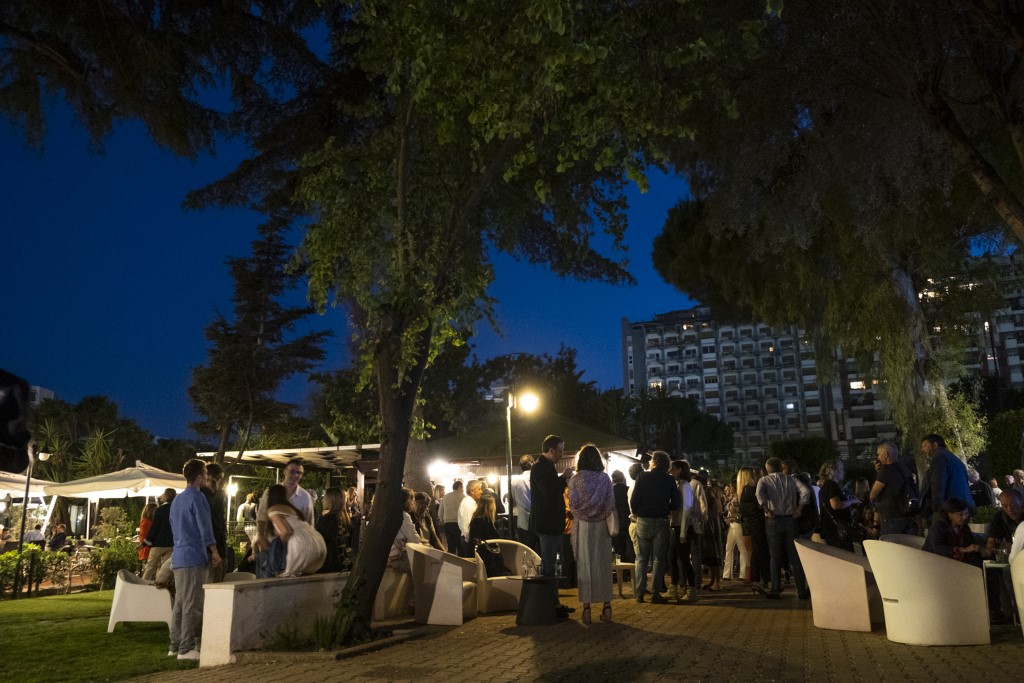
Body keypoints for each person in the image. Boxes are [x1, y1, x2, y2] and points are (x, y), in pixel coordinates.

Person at [168, 459, 221, 660]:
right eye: (205, 474)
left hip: (179, 556)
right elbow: (205, 527)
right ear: (199, 477)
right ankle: (186, 648)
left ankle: (175, 645)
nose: (207, 478)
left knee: (180, 603)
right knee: (193, 604)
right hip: (193, 556)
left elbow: (174, 525)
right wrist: (214, 551)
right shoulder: (198, 498)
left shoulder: (177, 500)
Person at [568, 444, 615, 625]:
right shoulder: (605, 479)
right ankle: (607, 607)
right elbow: (610, 503)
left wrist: (583, 512)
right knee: (603, 564)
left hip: (583, 525)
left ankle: (586, 609)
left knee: (585, 565)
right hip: (601, 525)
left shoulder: (575, 479)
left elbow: (572, 504)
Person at [755, 457, 812, 600]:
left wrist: (767, 509)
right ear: (780, 467)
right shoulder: (791, 479)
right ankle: (801, 589)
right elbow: (805, 491)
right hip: (790, 520)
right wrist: (799, 508)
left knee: (775, 556)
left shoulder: (764, 480)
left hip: (773, 520)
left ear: (767, 469)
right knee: (794, 556)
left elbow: (759, 495)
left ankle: (775, 589)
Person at [630, 450, 681, 604]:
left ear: (653, 462)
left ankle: (639, 593)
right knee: (659, 559)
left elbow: (634, 500)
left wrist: (637, 512)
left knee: (641, 558)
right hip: (661, 520)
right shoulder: (669, 479)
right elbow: (676, 503)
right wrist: (665, 507)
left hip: (643, 520)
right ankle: (655, 593)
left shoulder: (642, 476)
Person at [531, 434, 573, 617]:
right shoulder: (540, 467)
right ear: (552, 450)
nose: (562, 454)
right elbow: (548, 492)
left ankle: (553, 602)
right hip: (547, 524)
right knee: (548, 564)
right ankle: (550, 605)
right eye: (561, 450)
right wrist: (563, 478)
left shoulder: (546, 467)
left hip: (552, 524)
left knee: (553, 563)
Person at [255, 459, 315, 577]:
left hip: (293, 550)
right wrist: (261, 537)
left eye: (299, 473)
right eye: (292, 471)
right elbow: (261, 517)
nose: (295, 475)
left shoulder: (305, 497)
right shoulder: (271, 492)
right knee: (265, 581)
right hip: (269, 545)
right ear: (285, 472)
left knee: (287, 584)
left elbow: (309, 524)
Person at [266, 484, 326, 576]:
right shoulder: (292, 509)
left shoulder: (272, 510)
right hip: (317, 544)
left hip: (300, 546)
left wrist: (278, 549)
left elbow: (286, 532)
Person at [919, 434, 974, 523]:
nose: (923, 450)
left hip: (950, 509)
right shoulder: (955, 459)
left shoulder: (939, 457)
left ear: (935, 445)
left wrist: (937, 509)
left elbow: (938, 484)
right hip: (963, 507)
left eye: (925, 445)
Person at [869, 442, 918, 536]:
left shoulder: (886, 470)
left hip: (891, 517)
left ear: (886, 454)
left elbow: (873, 494)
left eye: (879, 454)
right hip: (908, 514)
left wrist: (879, 474)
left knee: (891, 543)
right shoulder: (905, 468)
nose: (878, 457)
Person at [922, 497, 982, 566]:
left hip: (954, 561)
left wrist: (978, 549)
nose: (964, 517)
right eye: (961, 514)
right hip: (933, 561)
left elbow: (970, 544)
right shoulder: (938, 526)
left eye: (966, 514)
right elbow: (938, 549)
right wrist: (963, 550)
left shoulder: (964, 527)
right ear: (949, 514)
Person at [818, 458, 861, 552]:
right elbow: (836, 505)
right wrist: (853, 501)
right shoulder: (832, 485)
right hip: (837, 531)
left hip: (830, 529)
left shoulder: (825, 486)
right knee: (846, 555)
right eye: (841, 469)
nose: (843, 472)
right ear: (834, 471)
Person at [667, 459, 694, 603]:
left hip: (683, 527)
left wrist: (683, 532)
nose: (671, 471)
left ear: (680, 470)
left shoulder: (685, 486)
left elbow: (686, 510)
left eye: (673, 469)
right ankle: (674, 587)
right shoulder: (679, 485)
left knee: (684, 559)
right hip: (677, 526)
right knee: (673, 557)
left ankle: (692, 589)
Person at [142, 488, 176, 582]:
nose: (161, 496)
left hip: (158, 544)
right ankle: (162, 585)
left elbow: (154, 527)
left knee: (150, 568)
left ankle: (143, 585)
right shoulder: (177, 509)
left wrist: (145, 542)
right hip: (171, 543)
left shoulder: (160, 510)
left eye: (163, 494)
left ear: (167, 495)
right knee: (166, 569)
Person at [315, 487, 351, 573]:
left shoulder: (326, 520)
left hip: (328, 564)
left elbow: (318, 543)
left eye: (325, 498)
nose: (322, 500)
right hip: (344, 563)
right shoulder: (346, 520)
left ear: (331, 501)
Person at [203, 462, 228, 582]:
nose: (222, 483)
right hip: (211, 552)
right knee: (212, 586)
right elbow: (210, 525)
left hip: (216, 550)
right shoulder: (204, 497)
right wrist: (215, 551)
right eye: (220, 479)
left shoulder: (213, 497)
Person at [389, 488, 424, 572]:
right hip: (395, 554)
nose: (413, 503)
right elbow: (414, 538)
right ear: (407, 501)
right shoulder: (403, 516)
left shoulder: (390, 513)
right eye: (413, 500)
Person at [722, 483, 748, 582]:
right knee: (728, 548)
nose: (728, 490)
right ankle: (727, 574)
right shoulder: (730, 499)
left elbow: (741, 512)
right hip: (731, 525)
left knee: (741, 548)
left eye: (730, 488)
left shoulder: (738, 499)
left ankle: (743, 574)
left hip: (737, 524)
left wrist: (735, 517)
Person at [512, 455, 538, 552]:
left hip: (523, 520)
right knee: (539, 552)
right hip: (538, 519)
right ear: (532, 463)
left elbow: (513, 500)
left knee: (526, 551)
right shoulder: (538, 477)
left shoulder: (515, 481)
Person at [611, 470, 634, 563]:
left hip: (615, 521)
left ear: (613, 479)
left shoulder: (611, 490)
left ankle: (620, 566)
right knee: (630, 546)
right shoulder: (628, 489)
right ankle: (630, 566)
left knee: (618, 547)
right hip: (628, 521)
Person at [458, 480, 483, 557]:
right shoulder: (468, 504)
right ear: (472, 491)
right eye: (479, 489)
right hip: (468, 540)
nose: (481, 491)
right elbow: (467, 524)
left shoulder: (470, 502)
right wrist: (470, 541)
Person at [440, 480, 466, 555]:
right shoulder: (463, 497)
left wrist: (442, 521)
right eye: (462, 487)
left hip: (447, 523)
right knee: (460, 546)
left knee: (451, 546)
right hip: (458, 524)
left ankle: (451, 560)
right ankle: (461, 560)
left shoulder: (445, 497)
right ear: (459, 487)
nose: (463, 489)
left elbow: (440, 512)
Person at [346, 486, 363, 556]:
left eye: (356, 493)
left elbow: (358, 511)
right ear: (350, 493)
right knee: (350, 539)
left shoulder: (356, 503)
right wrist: (353, 516)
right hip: (350, 523)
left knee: (356, 539)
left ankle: (355, 553)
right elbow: (345, 515)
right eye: (354, 493)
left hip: (356, 523)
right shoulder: (346, 503)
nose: (355, 495)